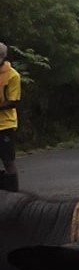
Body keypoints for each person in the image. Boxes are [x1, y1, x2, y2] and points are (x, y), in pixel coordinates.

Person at [0, 42, 22, 191]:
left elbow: (13, 101)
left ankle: (14, 194)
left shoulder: (13, 75)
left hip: (5, 124)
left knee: (8, 161)